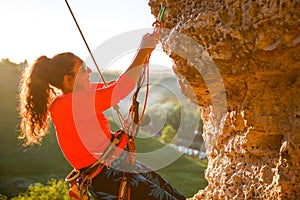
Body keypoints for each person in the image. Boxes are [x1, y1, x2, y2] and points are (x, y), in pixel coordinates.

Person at [18, 33, 186, 200]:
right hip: (108, 176)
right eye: (83, 69)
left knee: (175, 196)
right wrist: (142, 51)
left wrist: (144, 53)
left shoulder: (80, 95)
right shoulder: (67, 105)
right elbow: (119, 89)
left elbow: (117, 86)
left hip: (116, 166)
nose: (89, 70)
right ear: (68, 79)